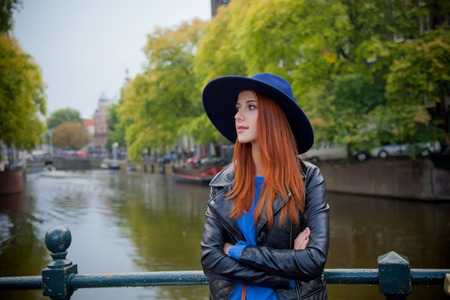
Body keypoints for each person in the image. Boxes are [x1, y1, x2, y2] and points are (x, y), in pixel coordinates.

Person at [200, 73, 329, 299]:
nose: (238, 115)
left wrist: (235, 250)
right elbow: (210, 259)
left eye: (251, 106)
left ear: (274, 116)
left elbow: (313, 261)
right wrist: (284, 273)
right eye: (238, 107)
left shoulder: (308, 178)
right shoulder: (222, 183)